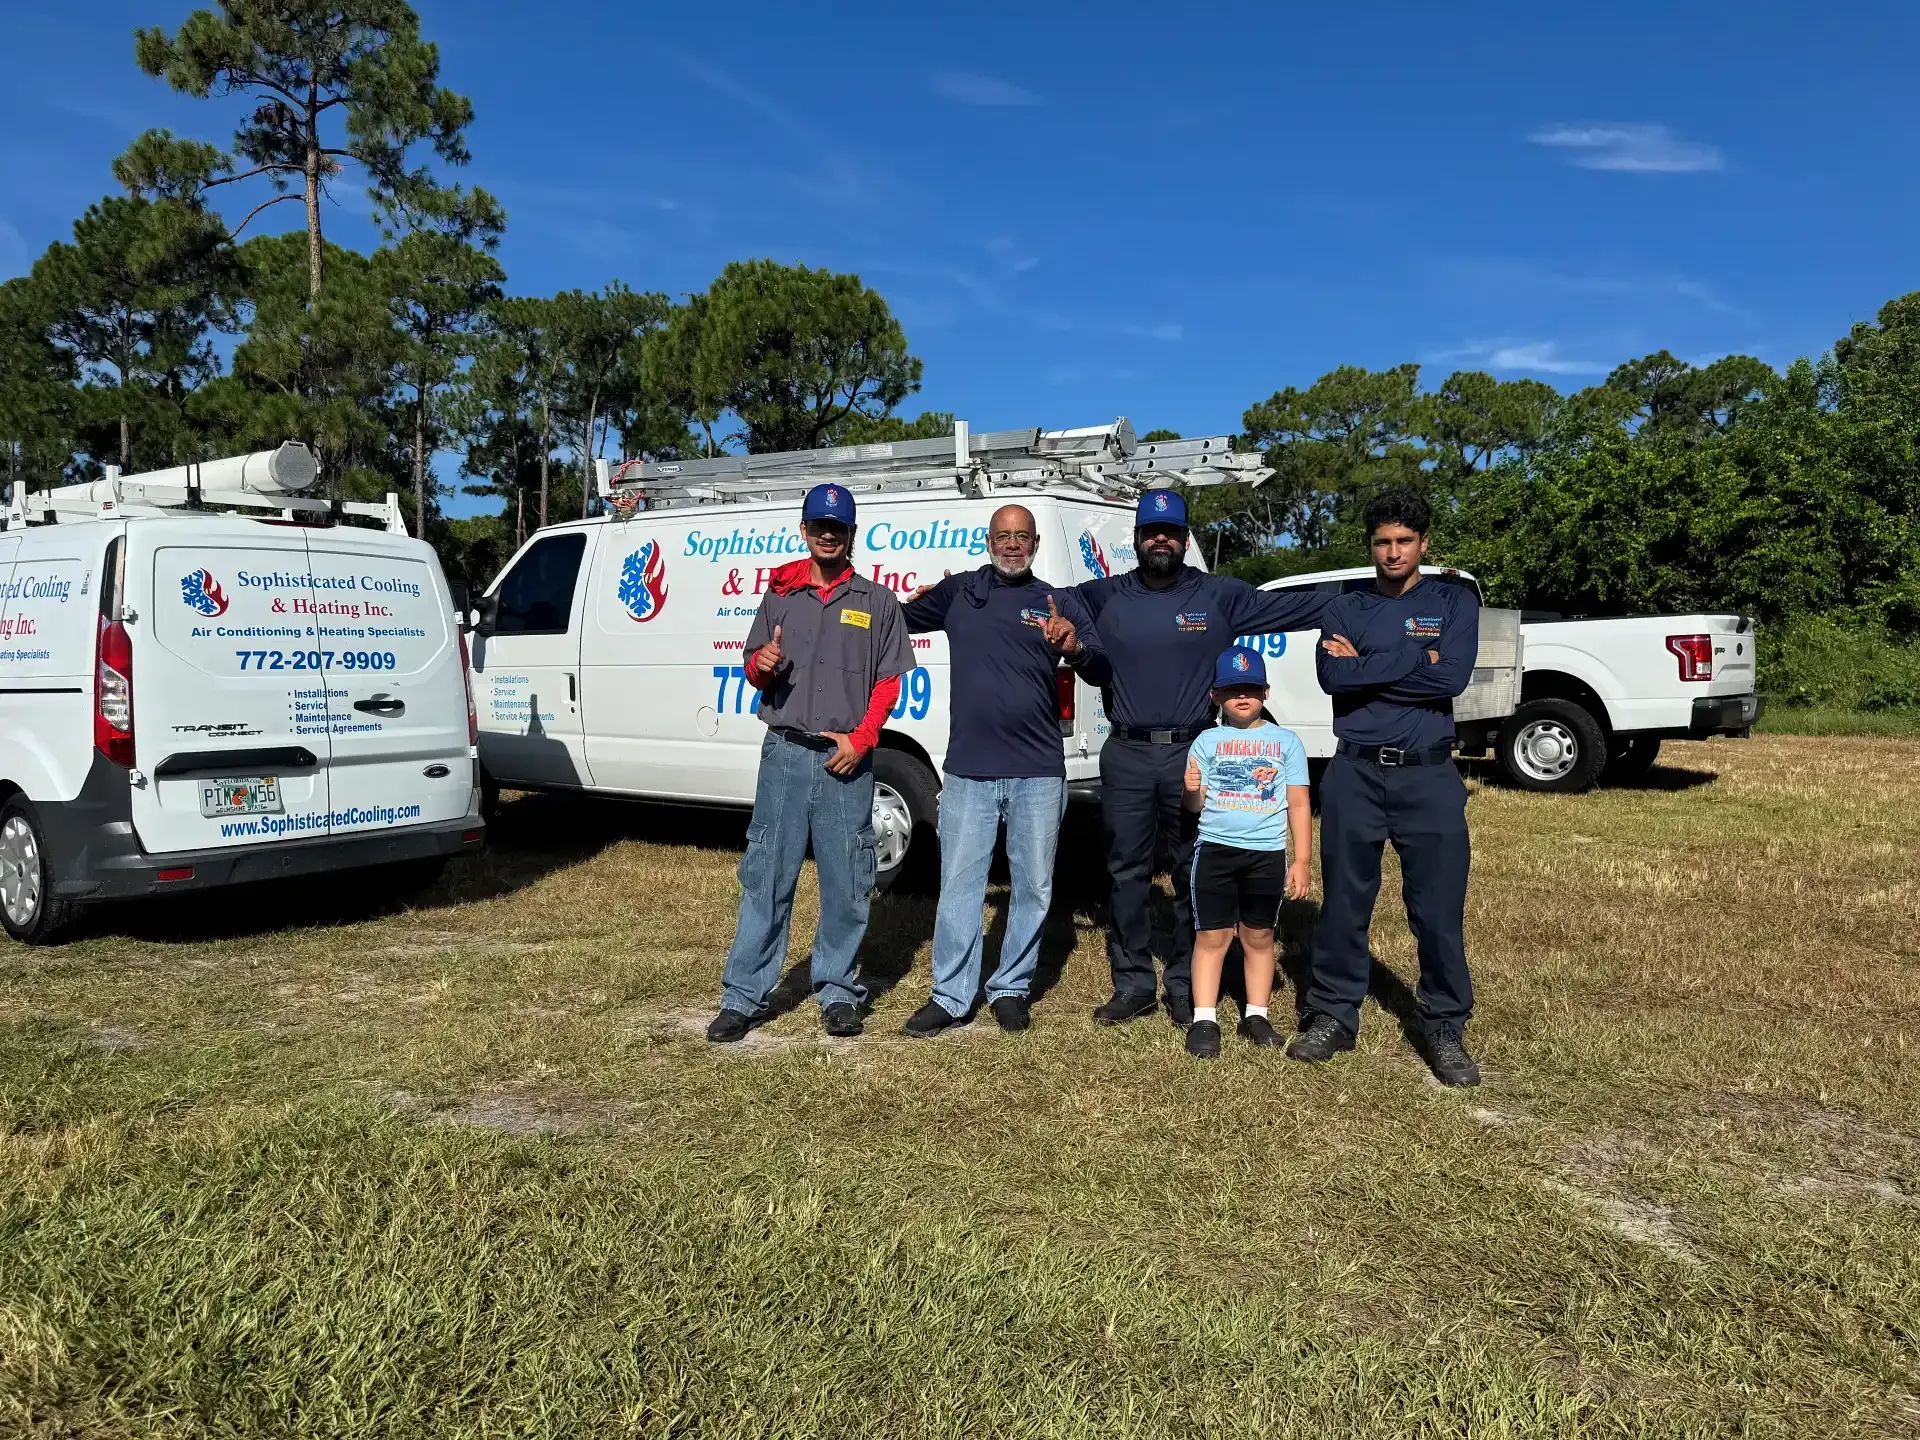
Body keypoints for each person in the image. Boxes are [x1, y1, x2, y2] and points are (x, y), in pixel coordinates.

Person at [1074, 489, 1331, 1028]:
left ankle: (1187, 982)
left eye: (1170, 530)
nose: (1160, 538)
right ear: (1139, 539)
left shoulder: (1219, 595)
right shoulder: (1103, 596)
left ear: (1185, 539)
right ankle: (1134, 982)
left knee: (1195, 870)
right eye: (1151, 531)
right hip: (1125, 751)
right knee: (1126, 870)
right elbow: (1034, 602)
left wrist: (1368, 598)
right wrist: (954, 593)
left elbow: (1302, 604)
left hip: (1194, 753)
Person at [1286, 488, 1483, 1086]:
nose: (1392, 552)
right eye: (1382, 542)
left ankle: (1443, 1023)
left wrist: (1368, 668)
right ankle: (1333, 1014)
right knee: (1345, 903)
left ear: (1423, 544)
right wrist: (1414, 659)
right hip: (1355, 773)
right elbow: (1330, 678)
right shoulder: (1346, 606)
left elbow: (1452, 676)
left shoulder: (1454, 601)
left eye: (1403, 541)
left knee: (1437, 909)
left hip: (1429, 774)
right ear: (1370, 545)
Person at [708, 483, 914, 1043]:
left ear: (851, 534)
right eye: (818, 524)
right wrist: (762, 664)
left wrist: (863, 739)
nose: (828, 533)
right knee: (767, 874)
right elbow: (754, 664)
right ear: (804, 530)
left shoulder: (877, 603)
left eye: (838, 526)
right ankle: (744, 995)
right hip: (784, 756)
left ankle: (839, 991)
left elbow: (889, 679)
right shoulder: (781, 594)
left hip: (845, 762)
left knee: (848, 880)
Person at [898, 504, 1104, 1036]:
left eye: (1022, 537)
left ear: (1034, 544)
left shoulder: (1058, 602)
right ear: (988, 541)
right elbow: (891, 621)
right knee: (961, 885)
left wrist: (1075, 645)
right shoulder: (961, 592)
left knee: (1034, 886)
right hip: (968, 770)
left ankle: (1011, 988)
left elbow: (1101, 665)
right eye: (1002, 535)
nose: (1012, 544)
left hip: (1038, 770)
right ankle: (950, 994)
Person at [1180, 645, 1311, 1059]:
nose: (1242, 696)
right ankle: (1204, 1018)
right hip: (1215, 851)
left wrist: (1303, 860)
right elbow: (1194, 806)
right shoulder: (1206, 741)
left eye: (1251, 688)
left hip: (1266, 855)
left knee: (1259, 936)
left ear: (1266, 693)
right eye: (1232, 689)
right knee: (1212, 935)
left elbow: (1300, 803)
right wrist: (1189, 790)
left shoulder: (1286, 742)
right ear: (1216, 696)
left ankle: (1256, 1014)